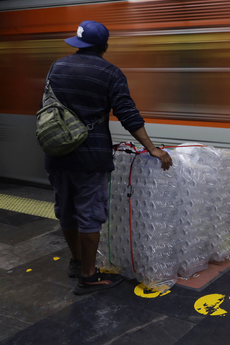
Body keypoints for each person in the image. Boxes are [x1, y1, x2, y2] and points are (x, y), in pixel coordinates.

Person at [44, 20, 173, 295]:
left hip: (56, 153)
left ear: (77, 44)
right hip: (91, 156)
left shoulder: (57, 67)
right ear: (104, 46)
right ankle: (89, 277)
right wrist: (152, 147)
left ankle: (77, 263)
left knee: (66, 210)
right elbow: (127, 113)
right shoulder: (110, 73)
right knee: (89, 214)